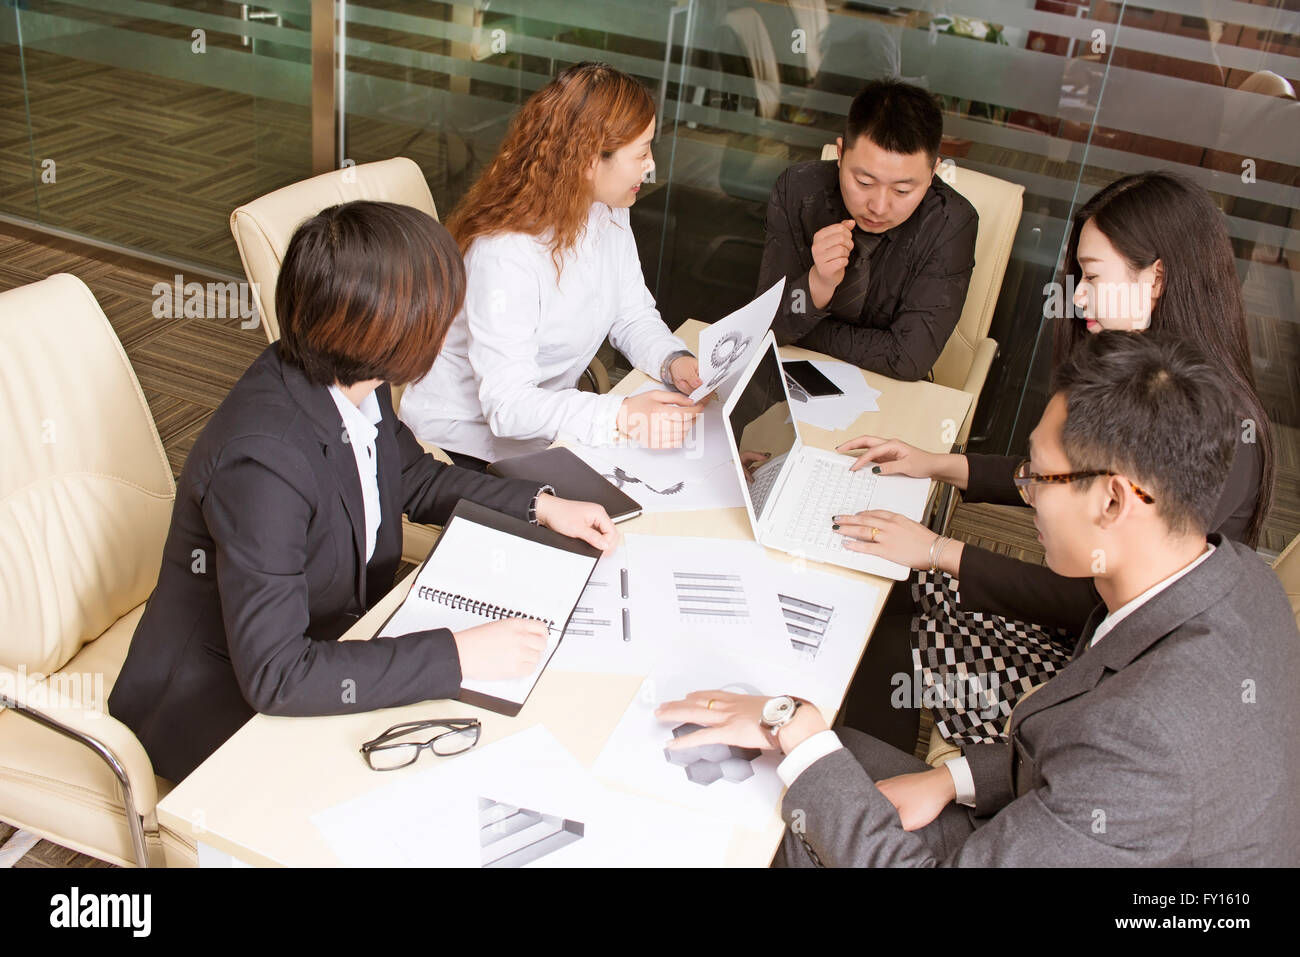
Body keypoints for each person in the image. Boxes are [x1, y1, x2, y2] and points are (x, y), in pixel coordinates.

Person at [657, 332, 1300, 866]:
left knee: (784, 826)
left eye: (1038, 476)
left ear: (1114, 500)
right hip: (1054, 824)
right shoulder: (1237, 576)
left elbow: (1109, 763)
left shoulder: (1147, 743)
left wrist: (791, 726)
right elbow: (1073, 757)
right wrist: (953, 778)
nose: (1024, 492)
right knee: (821, 757)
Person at [109, 202, 618, 783]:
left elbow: (414, 477)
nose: (451, 328)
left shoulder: (351, 376)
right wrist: (456, 655)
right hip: (221, 709)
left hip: (343, 638)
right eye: (440, 317)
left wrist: (540, 505)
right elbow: (278, 673)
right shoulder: (262, 464)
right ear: (386, 331)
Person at [833, 170, 1275, 751]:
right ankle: (872, 773)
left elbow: (1092, 593)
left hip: (1096, 678)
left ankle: (874, 784)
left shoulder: (1211, 430)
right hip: (1096, 641)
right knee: (900, 587)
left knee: (903, 599)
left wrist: (941, 552)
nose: (1079, 296)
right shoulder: (1156, 378)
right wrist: (939, 465)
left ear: (1157, 276)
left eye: (1092, 277)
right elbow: (1065, 476)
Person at [398, 62, 708, 471]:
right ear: (589, 161)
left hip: (546, 429)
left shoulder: (607, 210)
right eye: (642, 152)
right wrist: (622, 415)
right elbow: (508, 406)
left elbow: (631, 313)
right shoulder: (506, 251)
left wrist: (673, 361)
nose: (651, 166)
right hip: (462, 448)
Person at [757, 79, 977, 381]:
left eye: (902, 190)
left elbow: (908, 359)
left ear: (932, 173)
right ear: (840, 152)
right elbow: (764, 322)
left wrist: (803, 327)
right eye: (863, 183)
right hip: (787, 376)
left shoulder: (950, 223)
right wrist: (817, 284)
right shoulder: (798, 191)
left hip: (892, 396)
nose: (879, 206)